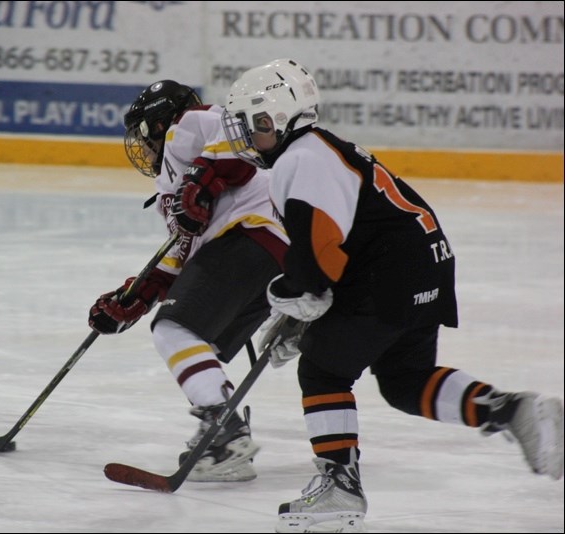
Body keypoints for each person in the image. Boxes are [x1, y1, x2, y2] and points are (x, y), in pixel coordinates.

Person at [221, 58, 564, 532]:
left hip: (392, 273)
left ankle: (339, 488)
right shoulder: (323, 149)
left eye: (251, 125)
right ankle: (513, 410)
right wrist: (305, 311)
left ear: (274, 118)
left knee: (322, 369)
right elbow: (336, 253)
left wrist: (294, 299)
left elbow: (317, 262)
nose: (246, 138)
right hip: (425, 262)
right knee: (405, 379)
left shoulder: (299, 158)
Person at [88, 80, 289, 482]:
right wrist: (136, 296)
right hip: (268, 258)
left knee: (174, 329)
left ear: (159, 123)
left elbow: (240, 138)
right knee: (200, 344)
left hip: (251, 238)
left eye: (143, 135)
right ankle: (227, 444)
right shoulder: (169, 184)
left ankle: (225, 430)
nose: (142, 148)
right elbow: (183, 251)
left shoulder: (192, 123)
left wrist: (204, 178)